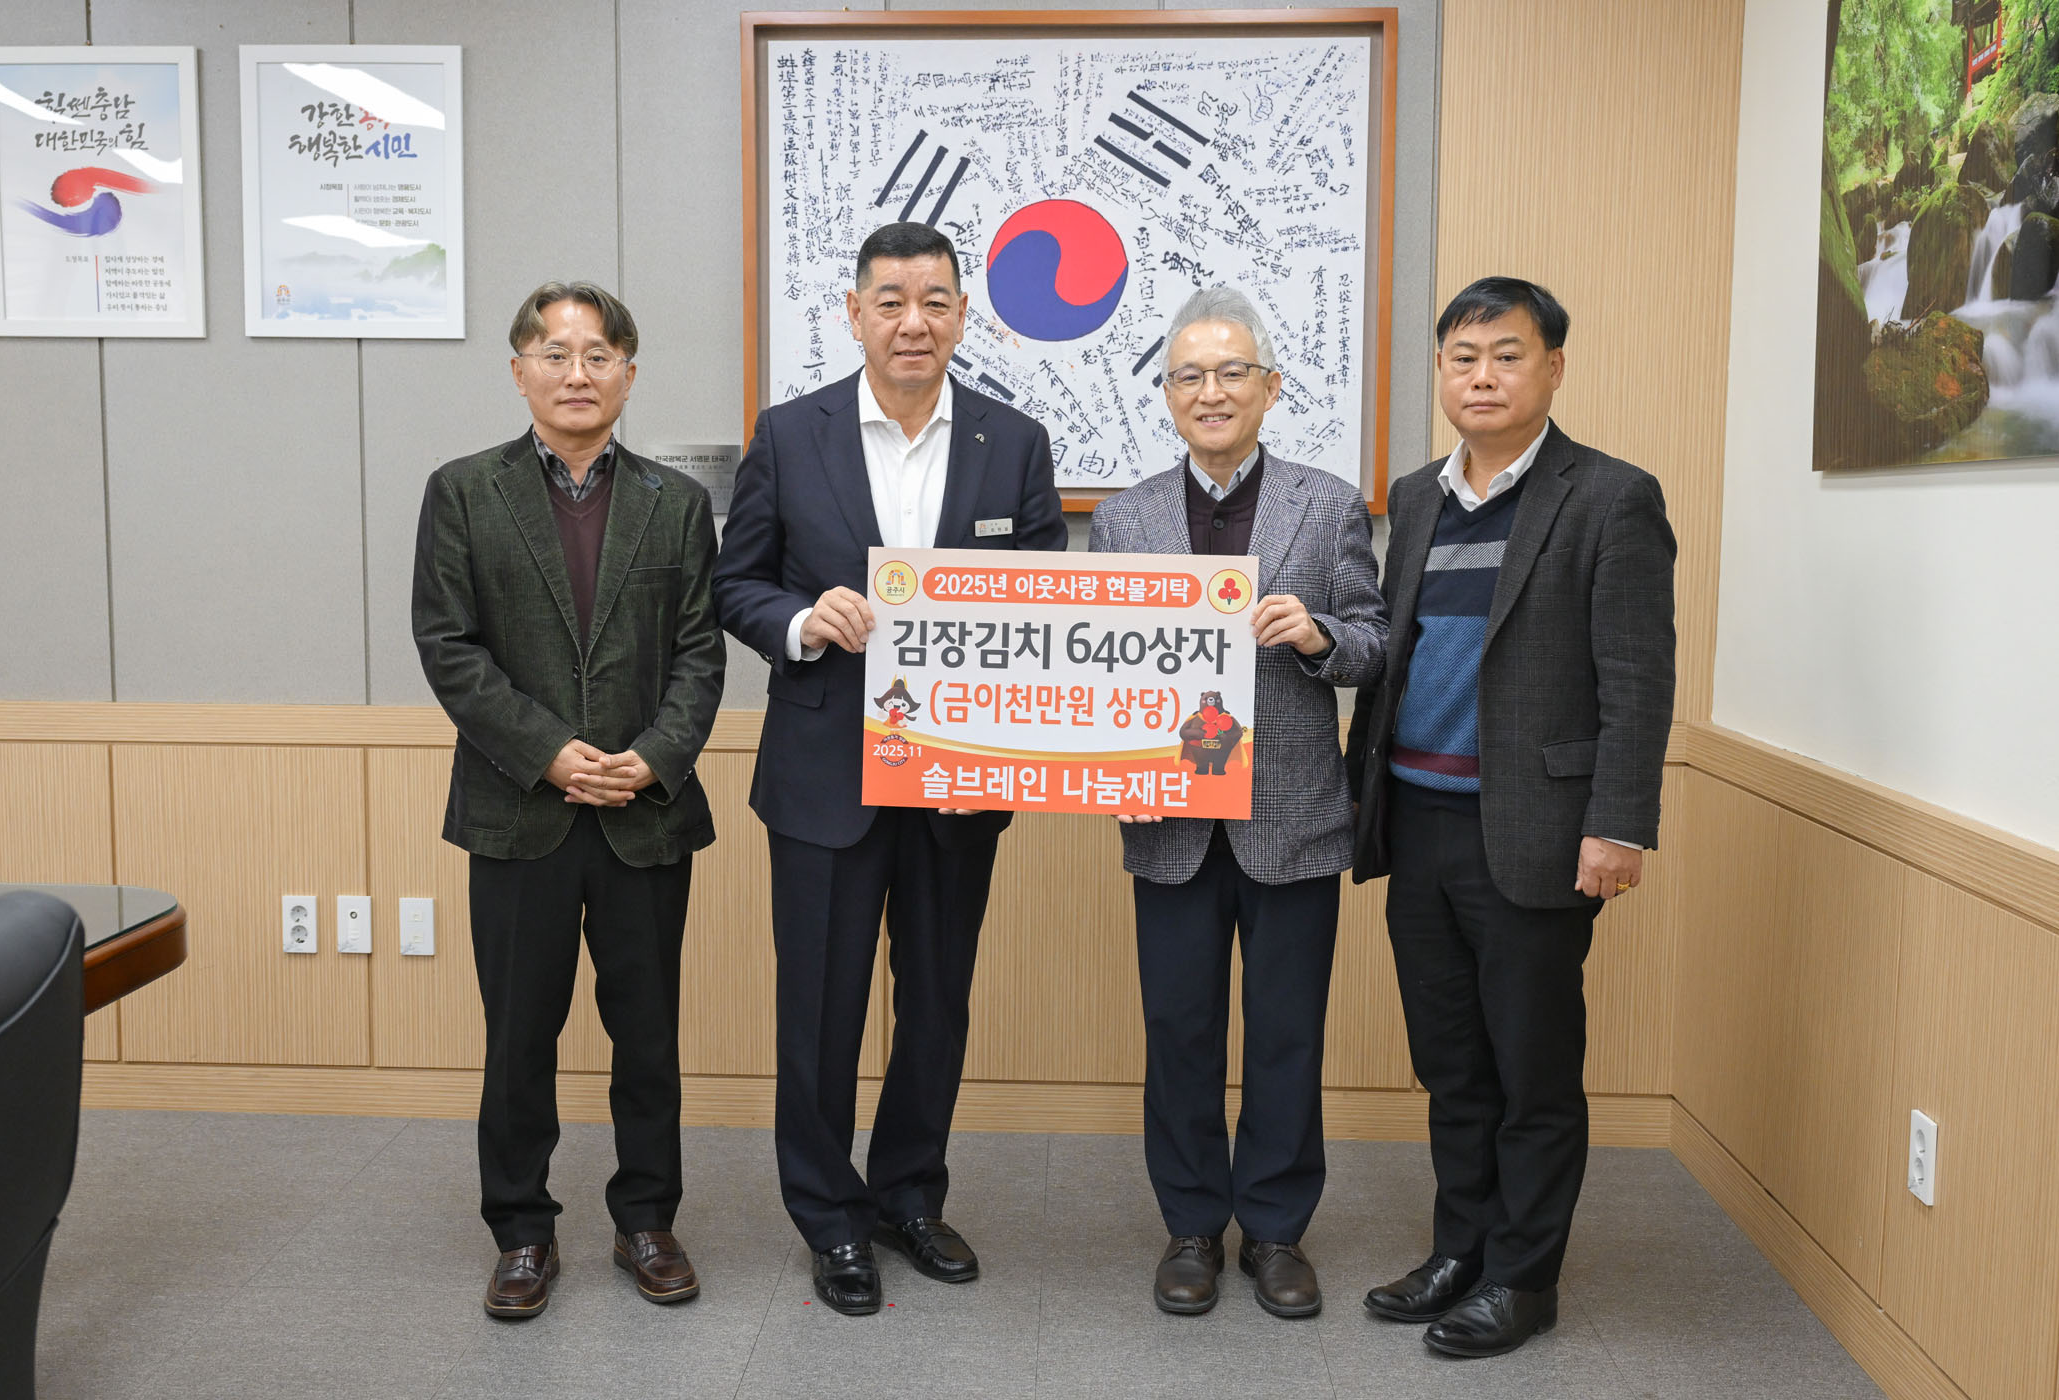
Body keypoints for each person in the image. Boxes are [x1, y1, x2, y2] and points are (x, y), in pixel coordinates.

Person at [713, 222, 1068, 1315]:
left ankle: (910, 1194)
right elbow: (737, 583)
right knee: (820, 1008)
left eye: (935, 301)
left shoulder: (1013, 441)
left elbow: (1045, 595)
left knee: (937, 1001)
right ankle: (830, 1217)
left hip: (959, 775)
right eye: (892, 301)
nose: (914, 321)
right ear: (855, 313)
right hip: (825, 772)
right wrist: (802, 620)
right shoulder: (790, 434)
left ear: (963, 315)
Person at [1346, 277, 1676, 1357]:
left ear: (1553, 368)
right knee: (1451, 1062)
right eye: (1463, 357)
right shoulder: (1417, 495)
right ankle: (1461, 1249)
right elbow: (1399, 655)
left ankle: (1523, 1279)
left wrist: (1618, 824)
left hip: (1536, 829)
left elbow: (1638, 678)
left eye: (1507, 354)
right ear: (1442, 372)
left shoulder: (1611, 497)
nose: (1482, 376)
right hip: (1418, 820)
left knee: (1532, 1070)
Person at [413, 281, 725, 1319]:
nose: (577, 373)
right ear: (520, 372)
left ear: (629, 374)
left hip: (644, 812)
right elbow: (448, 647)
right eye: (555, 353)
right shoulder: (463, 491)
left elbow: (700, 653)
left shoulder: (676, 503)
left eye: (599, 355)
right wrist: (547, 752)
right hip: (519, 812)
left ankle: (648, 1219)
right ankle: (521, 1230)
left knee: (649, 1035)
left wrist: (654, 755)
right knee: (518, 1037)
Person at [1091, 286, 1387, 1318]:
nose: (1210, 391)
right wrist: (1106, 762)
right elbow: (1100, 670)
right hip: (1169, 815)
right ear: (1167, 394)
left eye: (1231, 372)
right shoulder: (1123, 518)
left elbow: (1374, 641)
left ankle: (1274, 1229)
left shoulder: (1329, 504)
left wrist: (1317, 635)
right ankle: (1189, 1226)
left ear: (1270, 387)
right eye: (1189, 375)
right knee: (1178, 1030)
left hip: (1292, 815)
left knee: (1286, 1033)